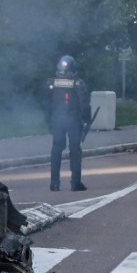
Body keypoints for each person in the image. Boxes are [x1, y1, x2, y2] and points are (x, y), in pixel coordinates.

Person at [47, 55, 91, 192]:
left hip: (57, 119)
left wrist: (49, 120)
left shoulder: (51, 82)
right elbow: (84, 103)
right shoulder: (78, 83)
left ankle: (54, 183)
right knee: (75, 151)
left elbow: (46, 103)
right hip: (73, 120)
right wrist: (86, 119)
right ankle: (75, 183)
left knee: (56, 150)